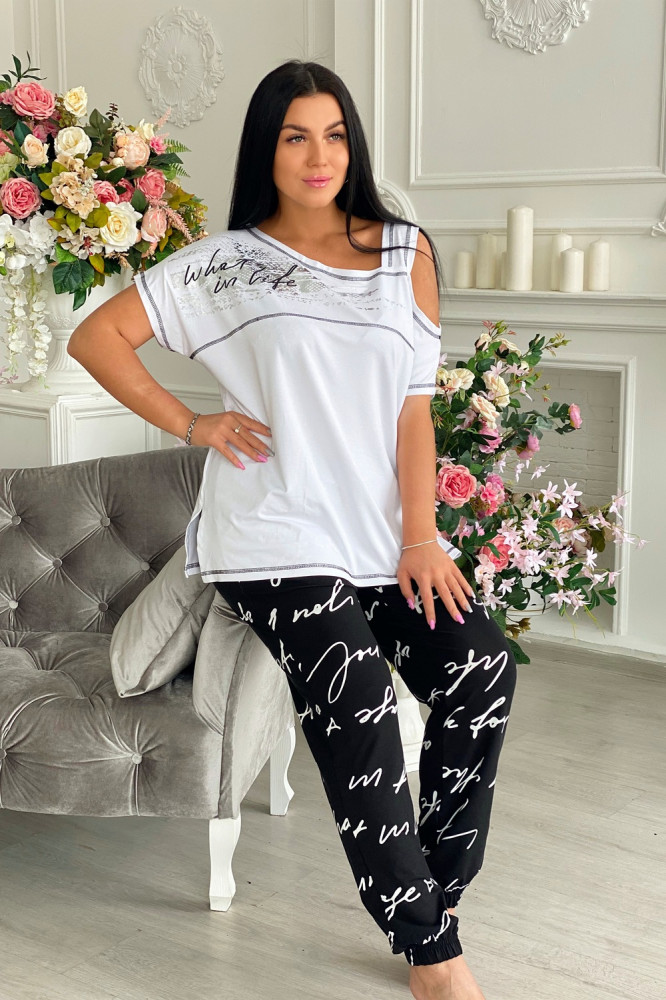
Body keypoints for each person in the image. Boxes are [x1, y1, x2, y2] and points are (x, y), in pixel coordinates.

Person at [68, 59, 517, 1000]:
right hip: (271, 536)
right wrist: (193, 423)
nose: (320, 156)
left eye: (336, 135)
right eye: (296, 136)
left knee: (480, 668)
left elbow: (413, 408)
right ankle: (432, 955)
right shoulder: (224, 264)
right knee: (357, 697)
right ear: (265, 150)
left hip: (380, 535)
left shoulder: (404, 251)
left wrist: (422, 537)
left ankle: (433, 900)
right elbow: (96, 338)